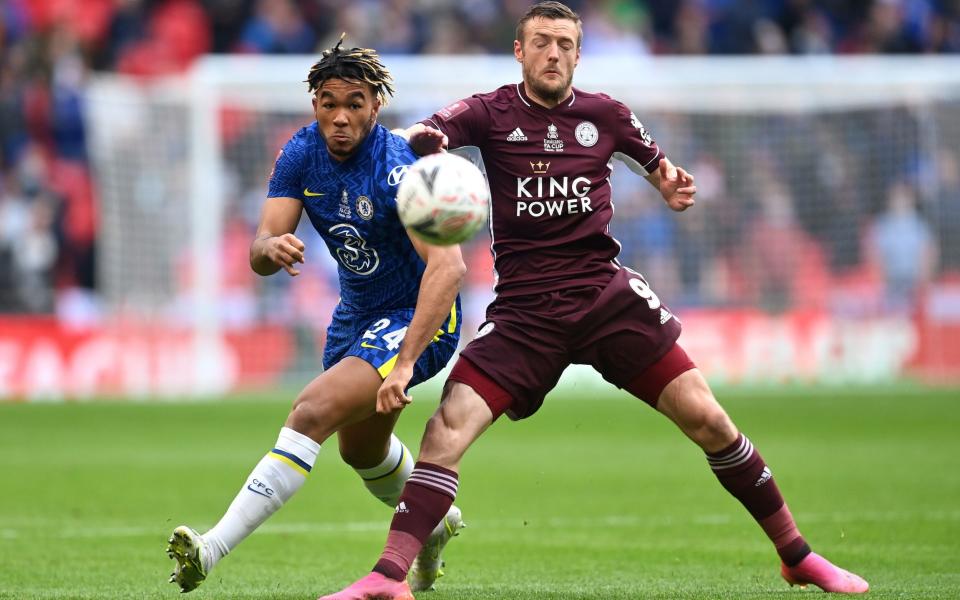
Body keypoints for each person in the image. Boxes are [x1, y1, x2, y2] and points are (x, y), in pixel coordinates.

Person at [322, 3, 869, 598]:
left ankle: (797, 556)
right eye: (540, 42)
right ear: (519, 51)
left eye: (563, 43)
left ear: (578, 55)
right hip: (526, 313)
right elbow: (429, 132)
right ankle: (387, 577)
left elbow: (657, 165)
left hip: (604, 297)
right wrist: (424, 154)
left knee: (711, 420)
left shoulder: (605, 115)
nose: (552, 53)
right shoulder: (489, 111)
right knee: (445, 430)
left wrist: (670, 182)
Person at [165, 38, 467, 594]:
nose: (341, 117)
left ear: (376, 105)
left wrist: (404, 364)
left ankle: (210, 549)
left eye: (355, 103)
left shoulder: (399, 170)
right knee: (360, 450)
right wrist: (270, 249)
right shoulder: (301, 153)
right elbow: (261, 247)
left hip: (419, 314)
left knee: (309, 411)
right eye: (329, 103)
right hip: (357, 314)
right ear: (315, 105)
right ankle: (433, 525)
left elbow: (448, 270)